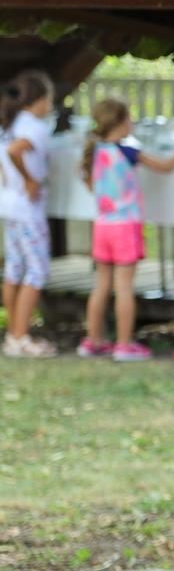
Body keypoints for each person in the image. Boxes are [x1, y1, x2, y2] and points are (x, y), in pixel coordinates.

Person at [75, 97, 174, 362]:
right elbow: (166, 167)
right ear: (119, 123)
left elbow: (93, 186)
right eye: (129, 118)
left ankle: (93, 340)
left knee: (101, 286)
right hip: (125, 226)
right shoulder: (128, 152)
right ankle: (124, 343)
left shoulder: (94, 151)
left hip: (103, 226)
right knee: (124, 287)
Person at [1, 70, 58, 358]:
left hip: (9, 205)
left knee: (14, 269)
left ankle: (14, 334)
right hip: (27, 208)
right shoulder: (33, 127)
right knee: (36, 270)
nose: (50, 105)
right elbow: (14, 151)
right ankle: (20, 336)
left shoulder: (11, 123)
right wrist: (29, 179)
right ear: (39, 100)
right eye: (49, 99)